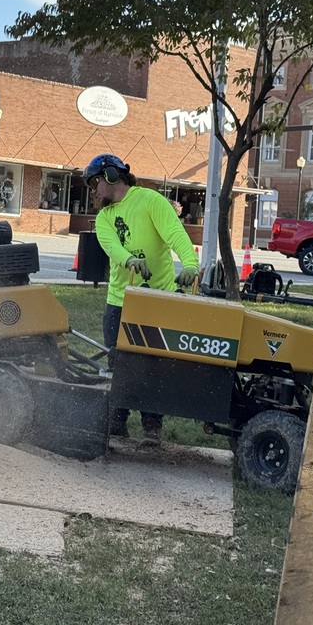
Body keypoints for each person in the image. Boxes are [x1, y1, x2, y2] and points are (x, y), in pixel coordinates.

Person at [85, 153, 200, 447]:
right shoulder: (104, 218)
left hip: (158, 298)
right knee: (119, 361)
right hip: (120, 301)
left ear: (112, 176)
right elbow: (114, 249)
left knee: (154, 365)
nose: (93, 191)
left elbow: (175, 234)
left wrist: (189, 263)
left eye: (95, 183)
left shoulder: (149, 201)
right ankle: (118, 422)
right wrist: (131, 261)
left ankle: (152, 427)